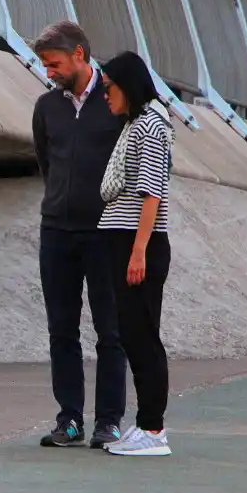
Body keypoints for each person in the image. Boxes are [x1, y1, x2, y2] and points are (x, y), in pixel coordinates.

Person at [31, 21, 128, 449]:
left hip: (105, 234)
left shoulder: (116, 101)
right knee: (61, 330)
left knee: (111, 330)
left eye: (54, 64)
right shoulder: (46, 107)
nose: (49, 72)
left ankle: (108, 421)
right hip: (56, 232)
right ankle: (69, 419)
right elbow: (45, 163)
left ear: (80, 56)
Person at [94, 51, 176, 457]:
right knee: (131, 333)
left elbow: (150, 193)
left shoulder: (151, 127)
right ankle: (145, 424)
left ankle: (153, 430)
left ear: (128, 85)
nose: (105, 95)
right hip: (124, 240)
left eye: (109, 88)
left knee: (143, 336)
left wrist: (138, 251)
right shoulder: (135, 126)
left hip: (136, 241)